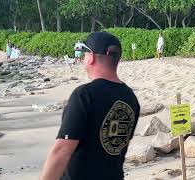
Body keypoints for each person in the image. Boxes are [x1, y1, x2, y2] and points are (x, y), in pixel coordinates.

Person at [40, 32, 140, 180]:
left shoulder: (84, 95)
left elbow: (62, 150)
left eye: (85, 53)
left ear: (91, 57)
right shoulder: (130, 98)